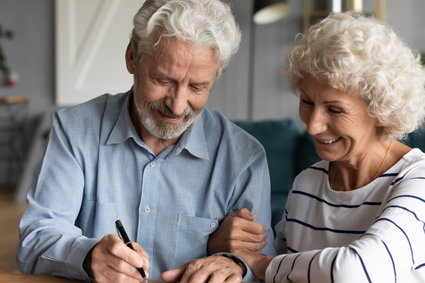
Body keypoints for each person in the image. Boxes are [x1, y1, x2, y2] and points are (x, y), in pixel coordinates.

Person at [16, 0, 275, 282]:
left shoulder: (244, 157)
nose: (177, 106)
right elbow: (35, 240)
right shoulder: (74, 131)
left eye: (197, 87)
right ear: (132, 57)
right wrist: (88, 257)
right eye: (163, 80)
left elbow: (263, 265)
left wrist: (235, 264)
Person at [166, 11, 425, 283]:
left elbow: (354, 271)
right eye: (308, 102)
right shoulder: (308, 184)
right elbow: (282, 272)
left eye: (335, 110)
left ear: (381, 110)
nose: (313, 126)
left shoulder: (417, 180)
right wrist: (233, 260)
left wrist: (259, 262)